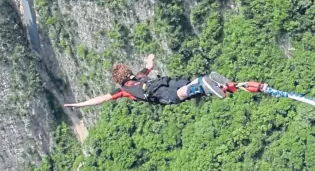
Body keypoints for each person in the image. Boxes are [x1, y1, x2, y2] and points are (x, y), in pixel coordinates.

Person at [64, 54, 230, 108]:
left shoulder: (123, 89)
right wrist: (150, 56)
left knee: (177, 96)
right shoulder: (140, 74)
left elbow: (102, 98)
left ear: (118, 80)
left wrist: (79, 104)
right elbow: (149, 64)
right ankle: (202, 81)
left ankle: (202, 86)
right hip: (163, 82)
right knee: (185, 85)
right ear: (127, 72)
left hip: (156, 92)